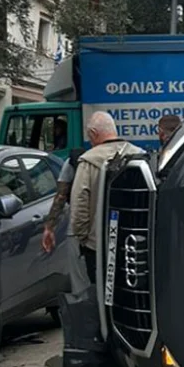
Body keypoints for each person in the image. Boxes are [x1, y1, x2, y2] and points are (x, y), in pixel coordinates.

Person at [70, 111, 143, 284]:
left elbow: (79, 204)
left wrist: (84, 238)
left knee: (102, 291)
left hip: (98, 245)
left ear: (94, 134)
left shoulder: (88, 161)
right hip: (134, 243)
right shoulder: (138, 155)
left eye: (90, 138)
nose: (90, 143)